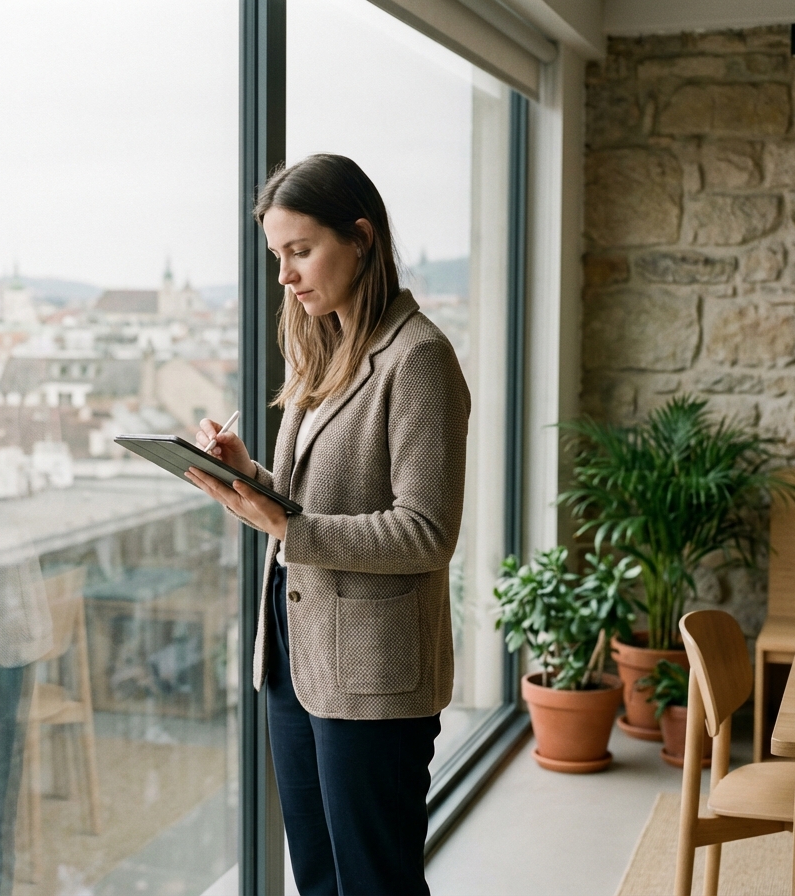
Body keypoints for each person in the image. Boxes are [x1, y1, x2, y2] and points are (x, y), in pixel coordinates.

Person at [185, 153, 470, 896]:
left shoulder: (420, 360)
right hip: (294, 651)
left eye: (300, 251)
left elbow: (426, 531)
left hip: (373, 671)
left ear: (362, 238)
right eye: (277, 256)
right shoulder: (325, 348)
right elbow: (316, 502)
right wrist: (249, 477)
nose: (285, 276)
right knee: (316, 876)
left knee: (375, 882)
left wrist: (283, 524)